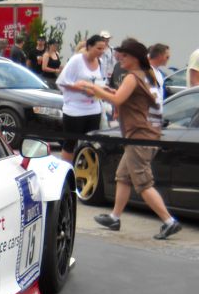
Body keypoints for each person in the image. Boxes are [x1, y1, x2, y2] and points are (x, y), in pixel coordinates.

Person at [77, 39, 181, 240]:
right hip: (146, 135)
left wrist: (93, 88)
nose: (119, 58)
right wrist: (104, 91)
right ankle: (115, 217)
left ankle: (169, 221)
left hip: (140, 136)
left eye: (124, 56)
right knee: (123, 176)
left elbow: (117, 100)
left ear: (135, 58)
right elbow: (124, 97)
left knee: (143, 183)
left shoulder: (133, 77)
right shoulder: (147, 75)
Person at [55, 34, 107, 164]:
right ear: (89, 46)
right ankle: (67, 171)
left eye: (103, 49)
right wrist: (83, 89)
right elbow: (62, 82)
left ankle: (86, 171)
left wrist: (105, 91)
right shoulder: (77, 60)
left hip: (94, 109)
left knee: (91, 143)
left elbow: (101, 83)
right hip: (75, 109)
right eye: (98, 48)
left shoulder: (101, 62)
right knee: (70, 142)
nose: (101, 52)